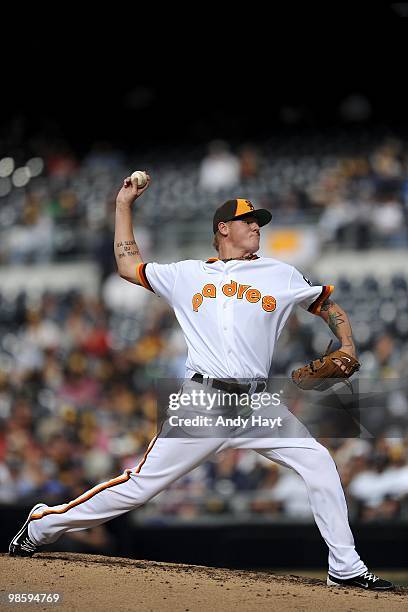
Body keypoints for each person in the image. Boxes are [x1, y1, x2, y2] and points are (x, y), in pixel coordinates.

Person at [9, 174, 394, 592]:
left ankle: (345, 566)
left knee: (318, 463)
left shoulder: (280, 274)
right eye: (248, 220)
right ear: (223, 228)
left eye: (258, 221)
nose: (256, 226)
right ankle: (44, 524)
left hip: (256, 405)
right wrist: (124, 205)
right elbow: (126, 265)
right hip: (202, 400)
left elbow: (328, 306)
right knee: (138, 488)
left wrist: (349, 344)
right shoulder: (185, 274)